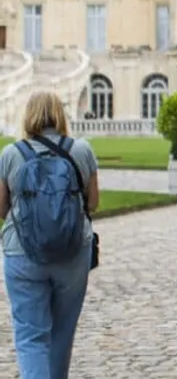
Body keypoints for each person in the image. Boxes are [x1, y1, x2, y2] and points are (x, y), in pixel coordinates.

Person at [0, 92, 99, 378]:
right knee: (62, 332)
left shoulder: (11, 154)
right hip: (72, 250)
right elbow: (93, 202)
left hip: (22, 252)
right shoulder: (81, 150)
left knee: (30, 336)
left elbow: (2, 208)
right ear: (59, 115)